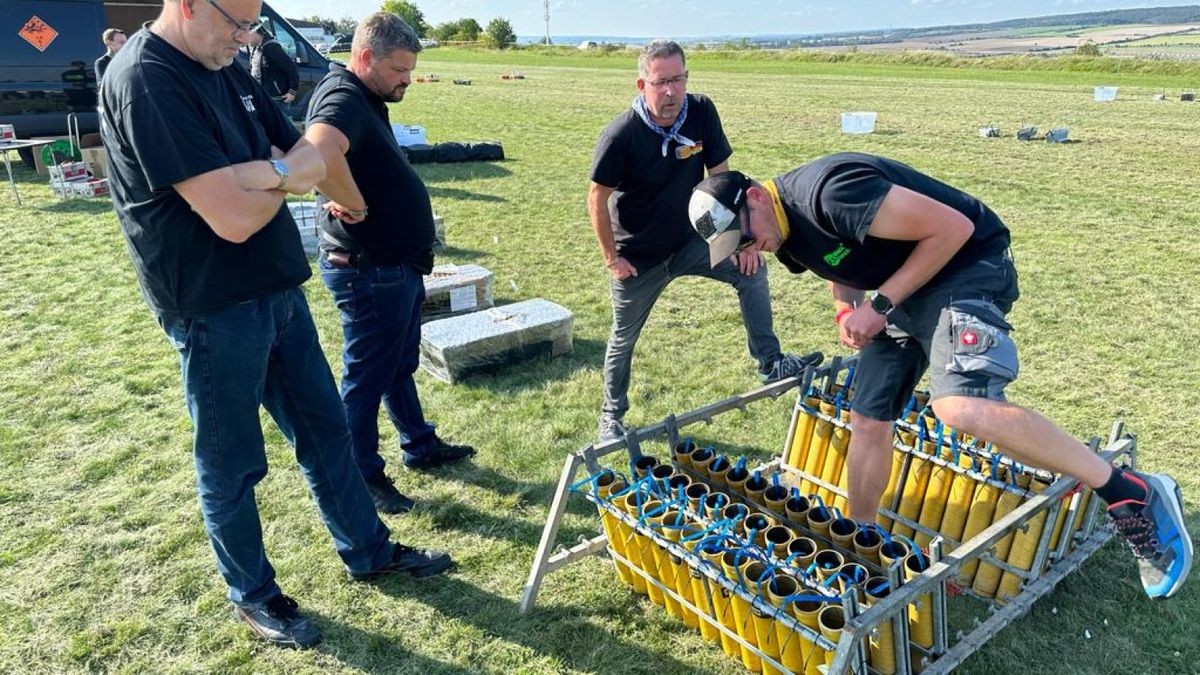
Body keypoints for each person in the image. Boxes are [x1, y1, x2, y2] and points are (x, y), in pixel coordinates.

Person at [99, 0, 453, 649]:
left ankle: (367, 549)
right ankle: (253, 593)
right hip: (211, 306)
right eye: (237, 24)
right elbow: (232, 219)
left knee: (326, 431)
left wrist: (266, 173)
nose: (246, 39)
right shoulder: (146, 79)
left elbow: (308, 158)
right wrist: (281, 180)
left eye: (251, 24)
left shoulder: (226, 64)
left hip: (278, 289)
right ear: (185, 5)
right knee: (232, 462)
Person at [687, 152, 1192, 599]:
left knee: (959, 407)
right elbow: (841, 260)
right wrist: (848, 312)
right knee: (867, 418)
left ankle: (1129, 491)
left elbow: (954, 229)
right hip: (903, 292)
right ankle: (862, 543)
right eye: (737, 246)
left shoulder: (830, 191)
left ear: (754, 196)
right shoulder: (784, 233)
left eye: (745, 236)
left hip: (965, 268)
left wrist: (881, 306)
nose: (750, 249)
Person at [588, 40, 812, 441]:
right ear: (642, 84)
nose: (671, 91)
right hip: (639, 256)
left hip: (693, 242)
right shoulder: (621, 135)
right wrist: (611, 259)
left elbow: (721, 182)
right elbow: (596, 199)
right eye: (661, 83)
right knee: (624, 335)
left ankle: (771, 364)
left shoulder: (702, 111)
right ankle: (612, 417)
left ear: (687, 78)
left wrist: (738, 244)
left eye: (678, 80)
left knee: (753, 271)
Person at [304, 12, 475, 516]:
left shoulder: (365, 95)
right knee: (366, 378)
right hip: (369, 269)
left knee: (397, 364)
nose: (408, 79)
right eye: (400, 69)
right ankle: (361, 478)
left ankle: (418, 444)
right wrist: (351, 202)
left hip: (393, 265)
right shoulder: (342, 96)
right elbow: (318, 150)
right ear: (364, 58)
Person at [247, 25, 299, 104]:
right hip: (260, 97)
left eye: (247, 35)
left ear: (255, 31)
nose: (244, 40)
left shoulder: (272, 48)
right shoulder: (255, 49)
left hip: (275, 99)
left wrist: (292, 92)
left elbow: (292, 69)